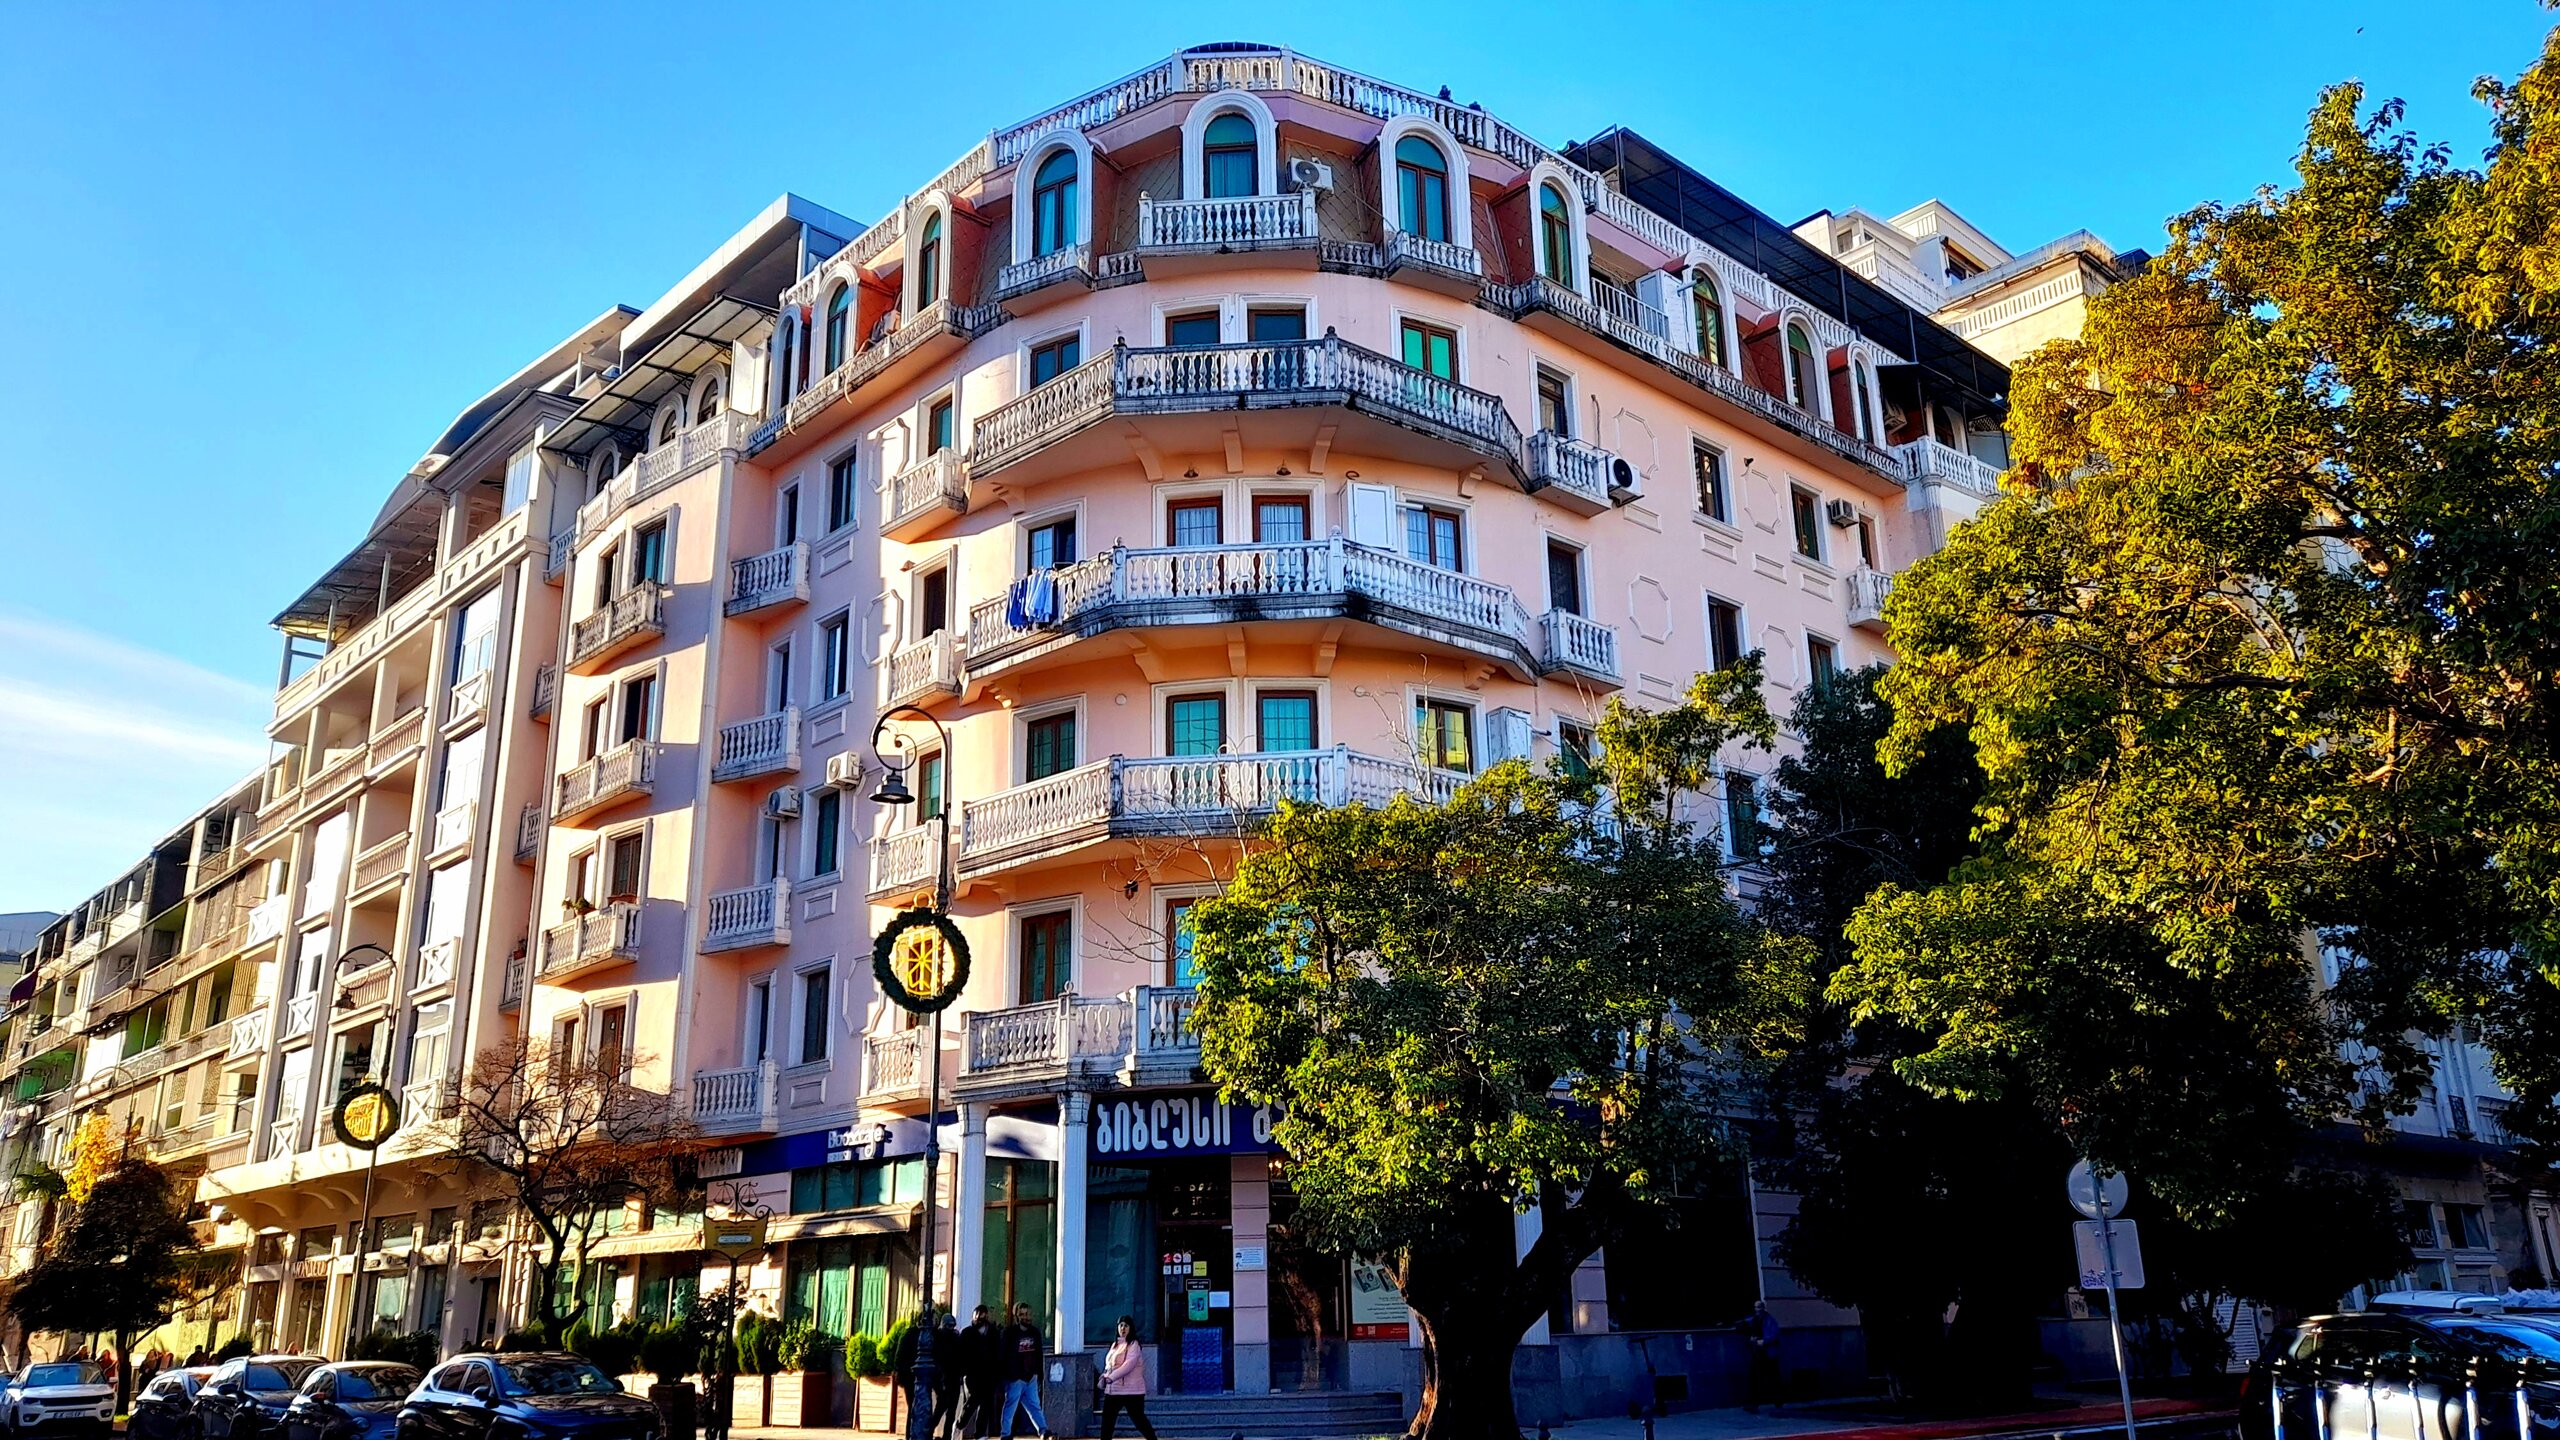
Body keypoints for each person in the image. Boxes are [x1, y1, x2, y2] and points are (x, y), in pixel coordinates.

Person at [1098, 1316, 1156, 1440]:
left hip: (1132, 1391)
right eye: (1121, 1325)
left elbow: (1128, 1365)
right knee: (1107, 1421)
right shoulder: (1115, 1345)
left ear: (1131, 1328)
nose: (1123, 1328)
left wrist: (1111, 1377)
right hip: (1113, 1390)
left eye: (1126, 1326)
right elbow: (1109, 1365)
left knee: (1139, 1419)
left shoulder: (1134, 1345)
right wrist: (1104, 1376)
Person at [1000, 1301, 1051, 1440]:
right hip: (1015, 1377)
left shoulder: (1035, 1332)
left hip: (1031, 1376)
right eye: (1022, 1314)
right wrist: (1007, 1375)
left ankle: (1043, 1430)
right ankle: (1005, 1433)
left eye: (1028, 1314)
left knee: (1034, 1405)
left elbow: (1038, 1354)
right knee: (1010, 1405)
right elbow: (1003, 1355)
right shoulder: (1009, 1333)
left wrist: (1039, 1373)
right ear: (1017, 1316)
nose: (1026, 1317)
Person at [960, 1304, 1005, 1439]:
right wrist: (963, 1370)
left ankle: (980, 1433)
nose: (980, 1319)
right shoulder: (967, 1333)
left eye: (983, 1316)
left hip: (989, 1375)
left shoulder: (993, 1333)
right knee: (972, 1401)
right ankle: (960, 1424)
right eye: (978, 1316)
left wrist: (997, 1373)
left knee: (986, 1405)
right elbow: (961, 1354)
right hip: (972, 1375)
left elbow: (998, 1353)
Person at [929, 1310, 966, 1440]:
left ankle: (945, 1436)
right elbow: (938, 1358)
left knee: (950, 1411)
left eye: (952, 1326)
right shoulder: (938, 1338)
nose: (951, 1328)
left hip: (953, 1378)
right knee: (942, 1407)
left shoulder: (955, 1338)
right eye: (949, 1326)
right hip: (943, 1378)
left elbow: (960, 1358)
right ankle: (930, 1431)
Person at [1743, 1301, 1782, 1413]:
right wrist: (1752, 1339)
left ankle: (1777, 1402)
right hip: (1758, 1353)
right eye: (1756, 1307)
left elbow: (1775, 1334)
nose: (1758, 1309)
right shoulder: (1754, 1320)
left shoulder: (1769, 1320)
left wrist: (1764, 1341)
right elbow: (1750, 1331)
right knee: (1755, 1378)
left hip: (1768, 1353)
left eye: (1759, 1307)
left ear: (1763, 1308)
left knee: (1772, 1378)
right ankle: (1754, 1404)